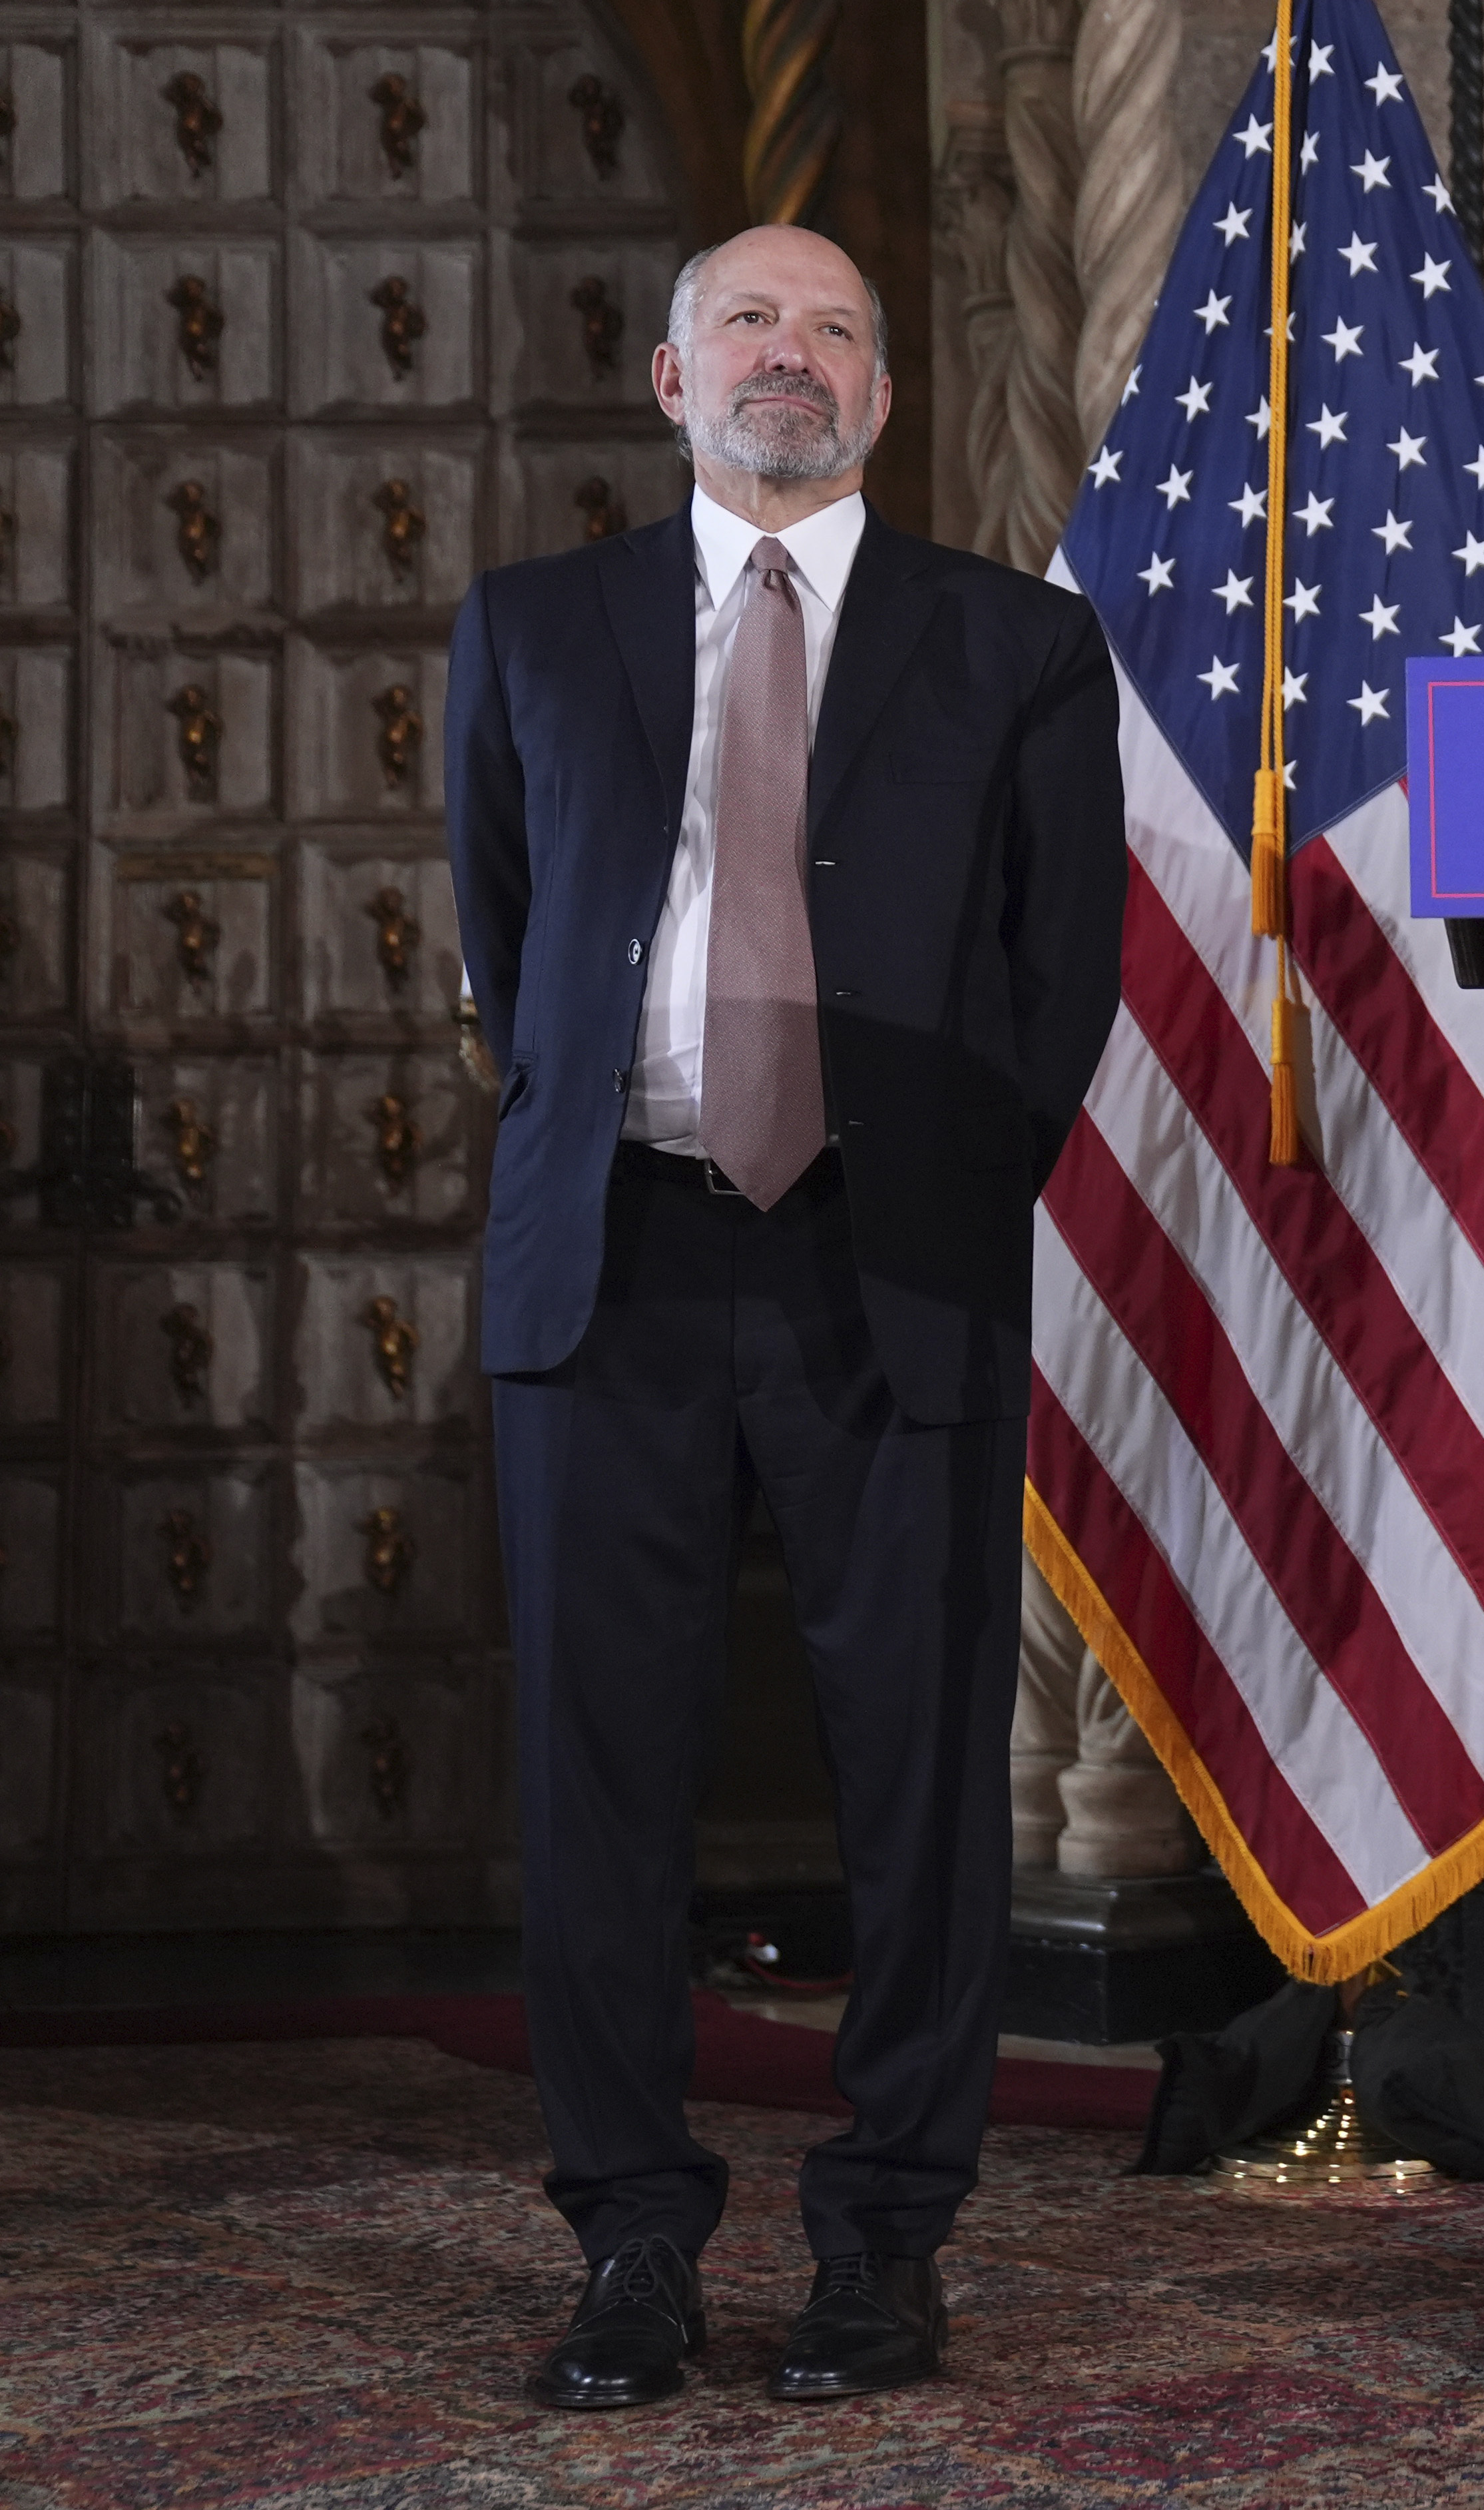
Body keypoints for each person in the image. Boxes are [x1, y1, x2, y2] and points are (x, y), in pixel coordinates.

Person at [447, 224, 1126, 2410]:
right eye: (752, 320)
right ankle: (630, 2236)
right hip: (614, 1260)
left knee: (922, 1772)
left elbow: (1061, 977)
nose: (795, 356)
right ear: (668, 374)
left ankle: (887, 2234)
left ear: (888, 398)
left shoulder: (1017, 644)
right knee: (599, 1773)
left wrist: (926, 1190)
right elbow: (506, 936)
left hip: (886, 1261)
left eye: (841, 327)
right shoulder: (531, 631)